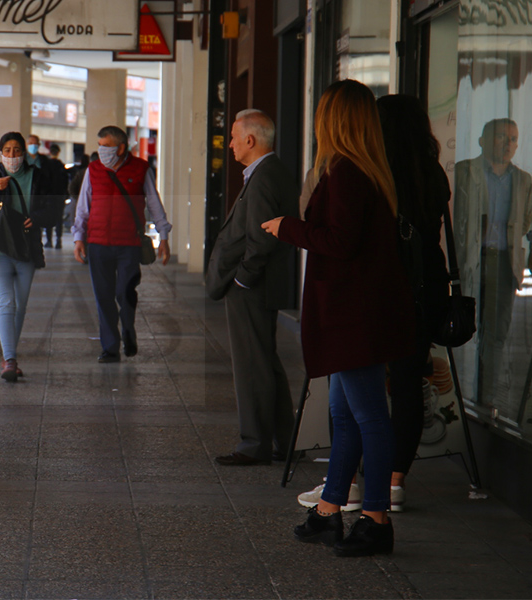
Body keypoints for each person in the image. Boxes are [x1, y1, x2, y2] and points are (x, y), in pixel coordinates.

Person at [262, 79, 415, 557]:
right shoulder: (358, 169)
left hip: (353, 315)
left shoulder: (347, 172)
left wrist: (288, 227)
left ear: (334, 120)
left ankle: (375, 519)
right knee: (343, 415)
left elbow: (340, 241)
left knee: (367, 415)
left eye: (321, 112)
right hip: (352, 312)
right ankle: (330, 510)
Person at [206, 109, 298, 467]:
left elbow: (261, 239)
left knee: (252, 365)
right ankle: (283, 440)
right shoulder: (265, 173)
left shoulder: (263, 177)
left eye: (232, 137)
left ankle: (254, 444)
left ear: (250, 140)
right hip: (259, 285)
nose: (228, 144)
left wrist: (243, 278)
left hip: (253, 287)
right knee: (264, 362)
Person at [73, 126, 172, 363]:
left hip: (129, 243)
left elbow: (154, 202)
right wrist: (79, 237)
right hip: (98, 243)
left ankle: (128, 329)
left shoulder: (140, 169)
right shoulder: (94, 169)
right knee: (103, 296)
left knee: (125, 292)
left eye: (105, 146)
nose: (101, 151)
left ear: (120, 147)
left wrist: (164, 236)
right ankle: (110, 348)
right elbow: (83, 206)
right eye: (99, 145)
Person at [453, 118, 532, 410]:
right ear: (483, 140)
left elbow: (525, 220)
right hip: (472, 260)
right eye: (502, 137)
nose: (508, 144)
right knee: (464, 327)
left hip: (504, 264)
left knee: (497, 333)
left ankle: (486, 400)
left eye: (513, 139)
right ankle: (462, 395)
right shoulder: (464, 171)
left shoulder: (524, 180)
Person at [0, 132, 47, 382]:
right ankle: (10, 359)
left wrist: (36, 218)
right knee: (7, 302)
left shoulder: (37, 176)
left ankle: (9, 356)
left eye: (17, 150)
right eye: (7, 150)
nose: (12, 155)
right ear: (0, 152)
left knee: (21, 305)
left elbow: (52, 209)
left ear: (24, 152)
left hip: (26, 247)